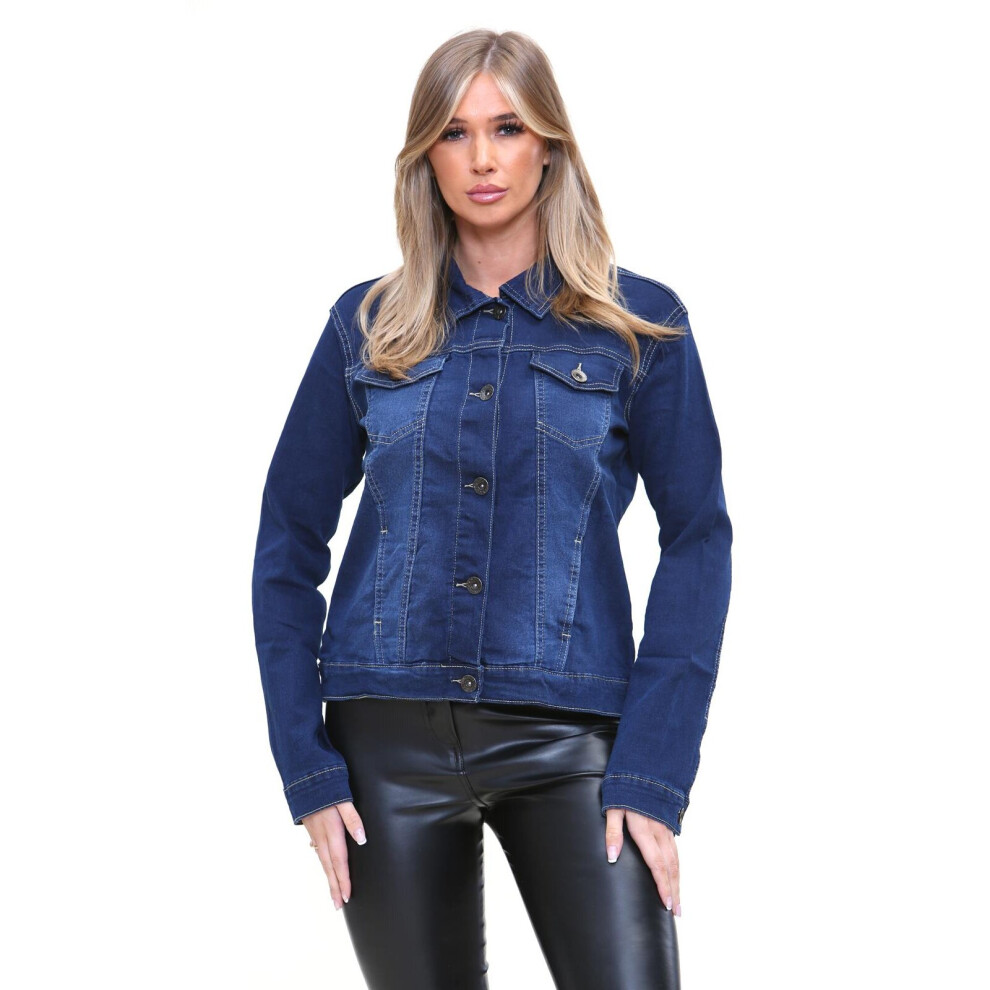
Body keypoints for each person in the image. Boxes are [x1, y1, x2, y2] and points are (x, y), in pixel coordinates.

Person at [251, 28, 732, 990]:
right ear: (424, 155)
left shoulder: (638, 326)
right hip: (384, 741)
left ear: (548, 144)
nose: (481, 158)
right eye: (454, 132)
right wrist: (305, 762)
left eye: (507, 128)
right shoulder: (365, 325)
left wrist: (653, 769)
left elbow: (699, 542)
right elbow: (287, 541)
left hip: (571, 742)